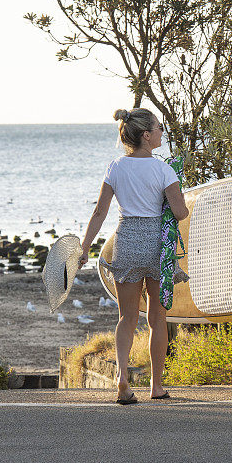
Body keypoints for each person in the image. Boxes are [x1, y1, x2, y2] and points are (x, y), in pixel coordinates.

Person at [79, 108, 188, 405]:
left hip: (126, 240)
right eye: (159, 127)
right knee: (157, 318)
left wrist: (85, 247)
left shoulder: (116, 167)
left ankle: (123, 378)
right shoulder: (164, 170)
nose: (162, 131)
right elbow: (180, 212)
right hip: (155, 243)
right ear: (146, 135)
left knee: (126, 317)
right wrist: (174, 199)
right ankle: (156, 386)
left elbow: (99, 212)